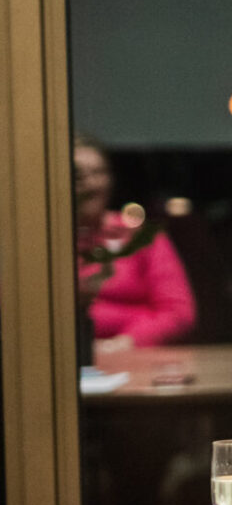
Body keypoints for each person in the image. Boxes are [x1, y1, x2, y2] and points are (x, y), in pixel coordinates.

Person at [74, 137, 196, 349]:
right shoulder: (45, 244)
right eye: (78, 176)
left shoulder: (140, 236)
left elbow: (179, 313)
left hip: (136, 357)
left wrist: (123, 343)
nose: (91, 183)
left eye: (98, 173)